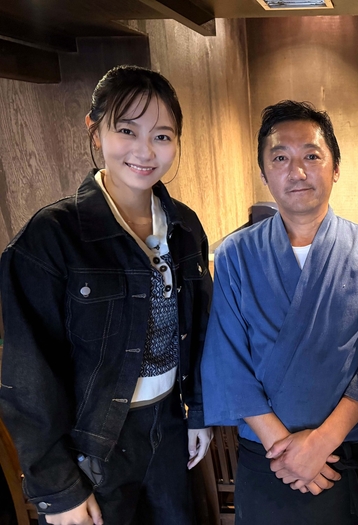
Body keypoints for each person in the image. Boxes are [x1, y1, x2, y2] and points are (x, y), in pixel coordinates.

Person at [0, 65, 213, 525]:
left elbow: (200, 334)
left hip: (169, 427)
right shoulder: (50, 238)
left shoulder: (184, 227)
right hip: (92, 447)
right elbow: (28, 376)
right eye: (126, 130)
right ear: (95, 131)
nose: (144, 150)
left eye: (161, 136)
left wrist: (198, 413)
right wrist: (58, 489)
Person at [201, 100, 358, 525]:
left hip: (344, 452)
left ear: (335, 167)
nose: (297, 172)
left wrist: (320, 444)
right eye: (280, 158)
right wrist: (286, 452)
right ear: (263, 173)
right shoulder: (236, 255)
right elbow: (227, 362)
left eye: (312, 156)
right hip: (267, 455)